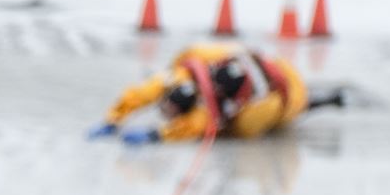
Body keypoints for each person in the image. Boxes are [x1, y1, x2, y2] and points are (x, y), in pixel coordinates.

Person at [98, 41, 312, 143]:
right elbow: (146, 91)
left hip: (292, 95)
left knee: (300, 107)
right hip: (276, 66)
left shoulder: (254, 110)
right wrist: (113, 119)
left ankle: (322, 100)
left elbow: (196, 128)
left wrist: (157, 135)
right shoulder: (203, 61)